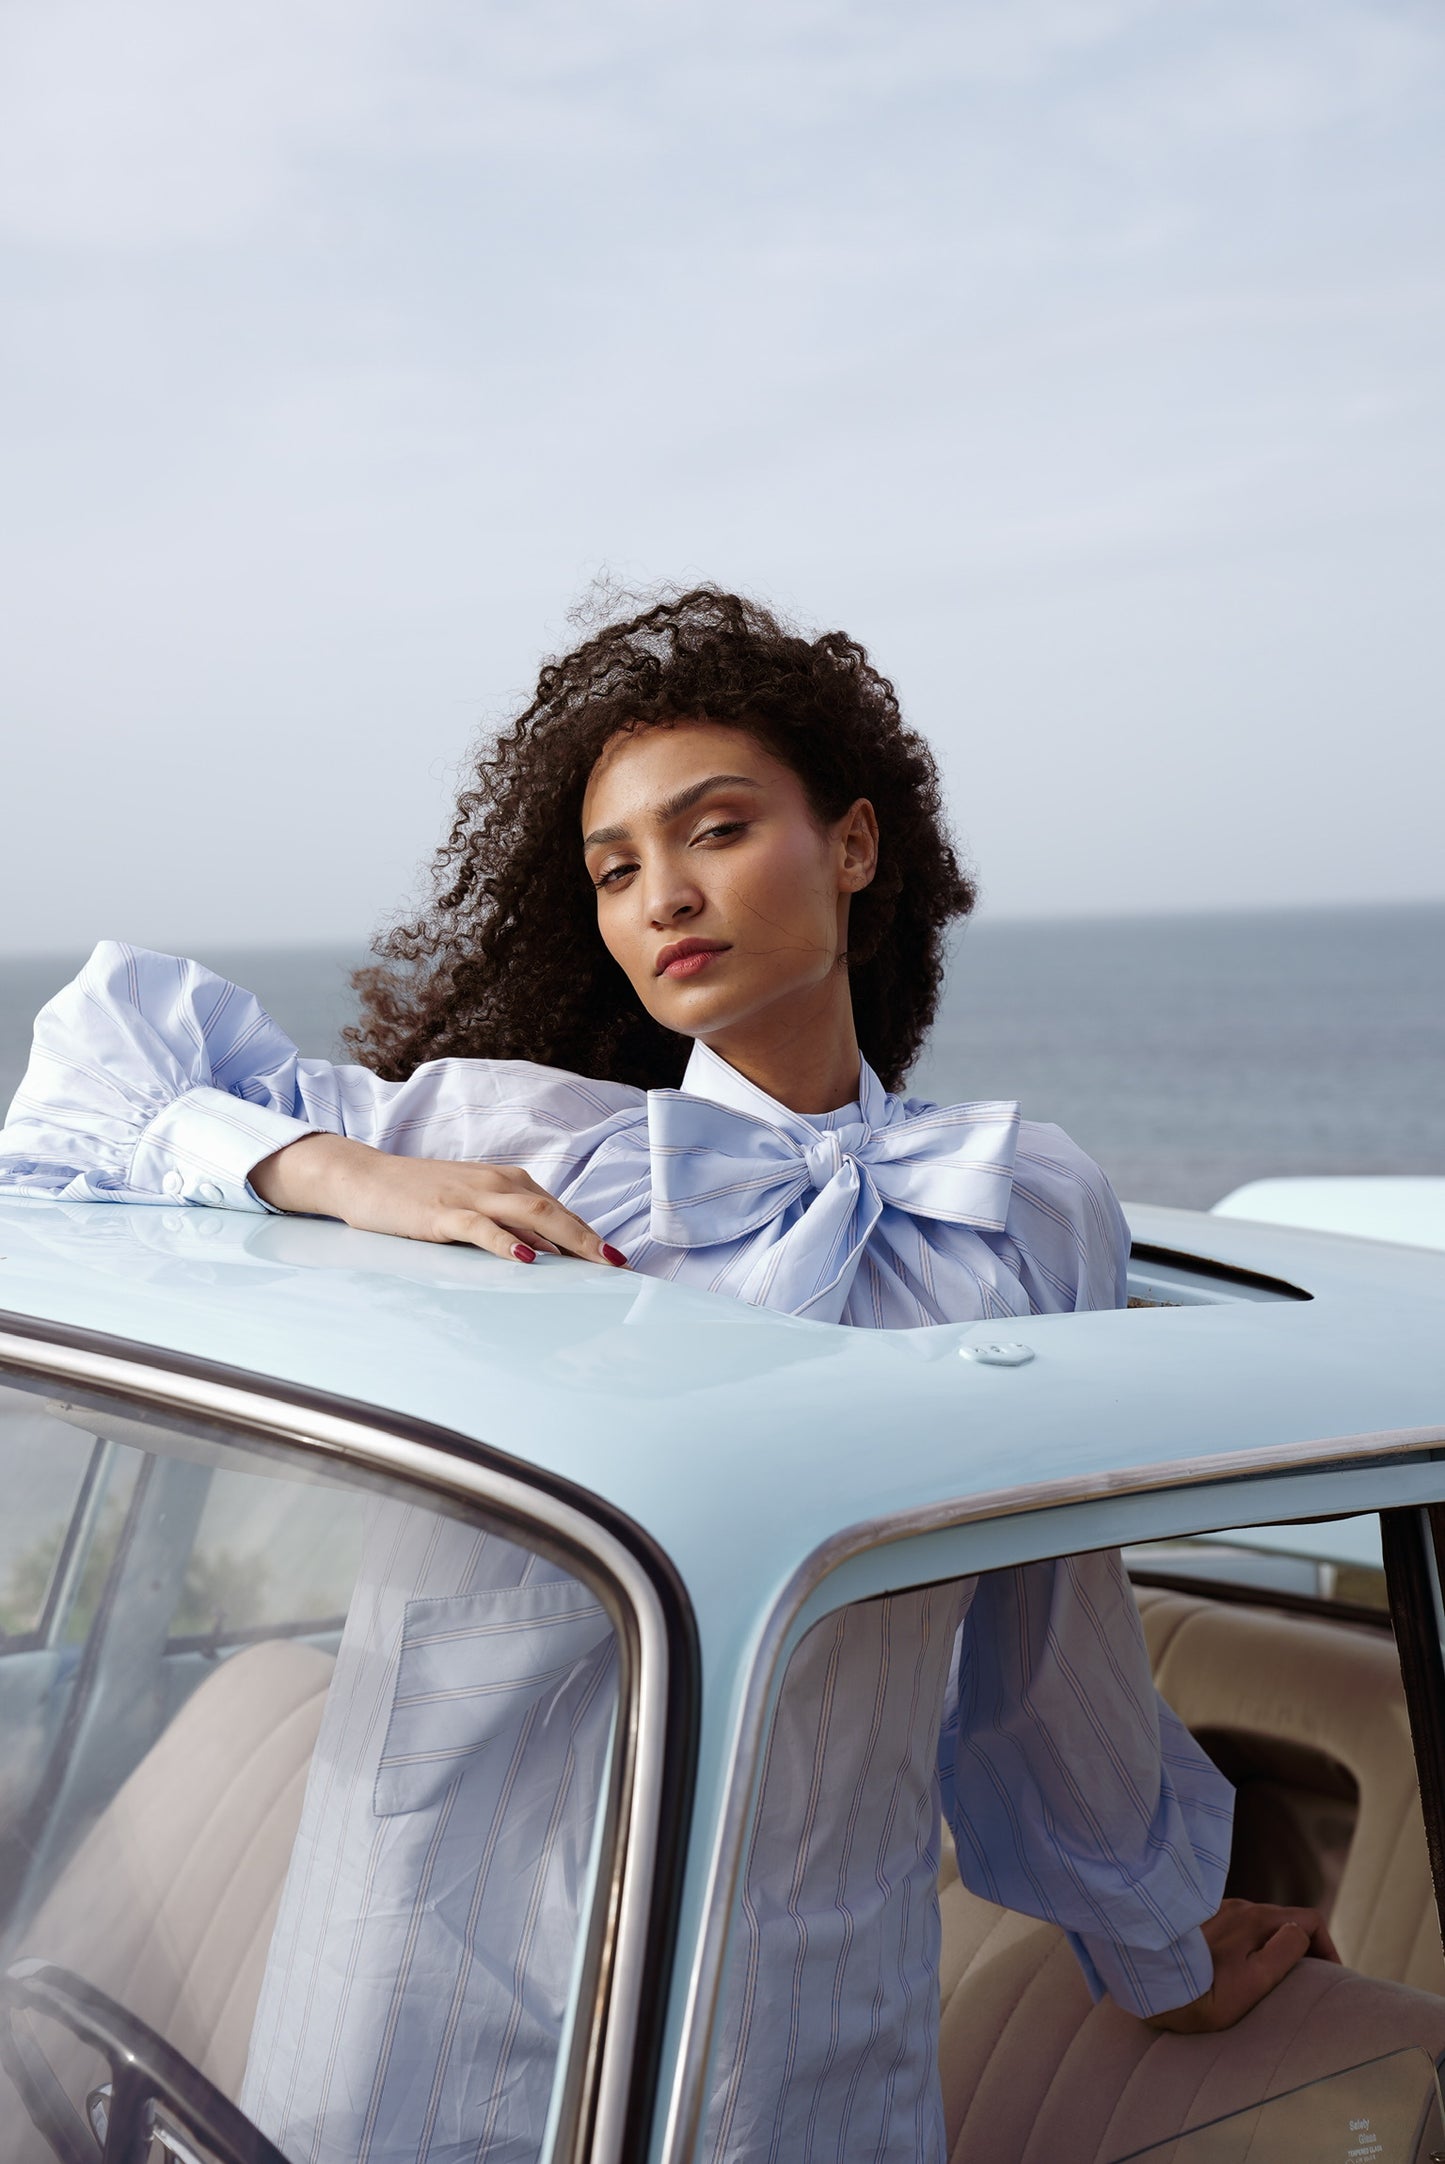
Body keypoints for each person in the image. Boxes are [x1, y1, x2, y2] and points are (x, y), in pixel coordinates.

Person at [0, 588, 1335, 2164]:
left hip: (798, 2007)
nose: (661, 897)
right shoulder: (510, 1145)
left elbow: (1051, 1646)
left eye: (713, 830)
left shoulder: (1019, 1199)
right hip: (417, 1969)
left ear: (851, 846)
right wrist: (332, 1172)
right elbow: (86, 1074)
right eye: (615, 869)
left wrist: (1157, 1951)